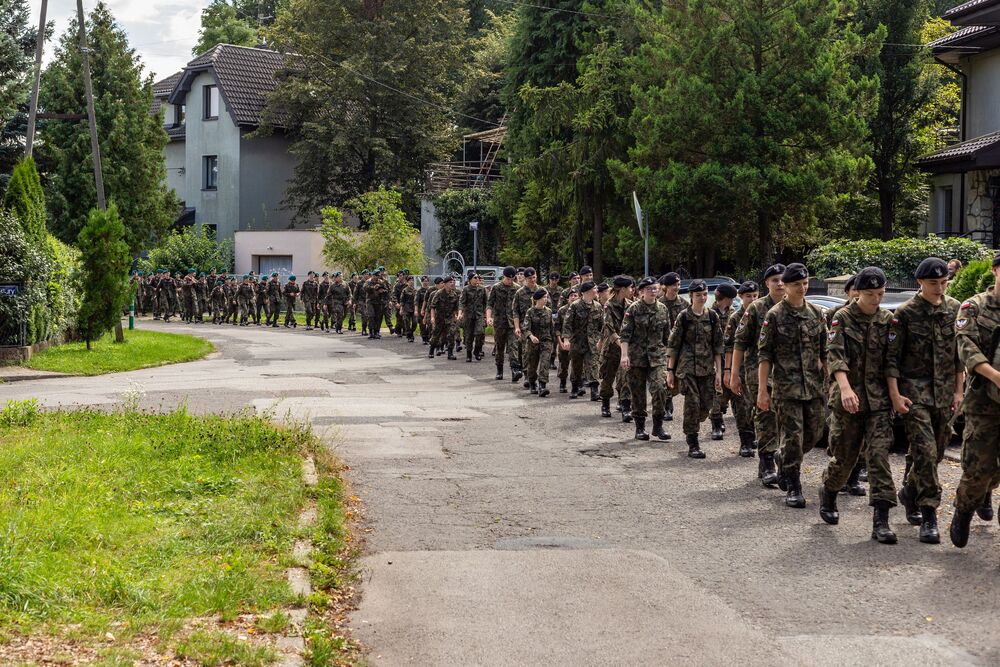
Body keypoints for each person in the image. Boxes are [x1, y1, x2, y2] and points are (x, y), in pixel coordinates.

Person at [886, 257, 964, 544]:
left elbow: (959, 356)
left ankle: (909, 490)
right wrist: (895, 395)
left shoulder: (954, 309)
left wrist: (959, 391)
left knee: (936, 450)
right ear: (920, 282)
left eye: (944, 283)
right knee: (927, 451)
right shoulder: (905, 313)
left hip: (944, 394)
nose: (940, 288)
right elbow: (891, 360)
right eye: (934, 283)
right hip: (914, 393)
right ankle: (929, 513)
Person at [818, 267, 898, 543]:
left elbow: (891, 363)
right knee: (845, 458)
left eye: (880, 294)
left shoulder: (887, 320)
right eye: (870, 294)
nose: (876, 299)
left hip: (878, 402)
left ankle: (882, 520)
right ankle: (829, 491)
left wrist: (895, 397)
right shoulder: (842, 318)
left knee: (878, 458)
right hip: (848, 400)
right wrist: (844, 388)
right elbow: (835, 355)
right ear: (857, 293)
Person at [757, 263, 827, 509]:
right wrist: (762, 390)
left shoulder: (817, 313)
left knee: (814, 434)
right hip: (786, 388)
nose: (803, 288)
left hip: (814, 388)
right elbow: (764, 355)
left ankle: (782, 456)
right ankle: (794, 487)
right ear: (785, 286)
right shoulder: (774, 315)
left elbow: (825, 352)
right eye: (797, 284)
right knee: (795, 437)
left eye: (805, 283)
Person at [949, 252, 1000, 548]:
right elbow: (965, 347)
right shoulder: (974, 307)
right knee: (978, 469)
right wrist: (994, 375)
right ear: (995, 271)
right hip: (984, 402)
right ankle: (964, 508)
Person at [732, 264, 786, 486]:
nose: (780, 283)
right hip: (757, 370)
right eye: (774, 280)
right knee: (766, 415)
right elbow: (740, 341)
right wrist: (733, 373)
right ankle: (766, 463)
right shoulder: (756, 308)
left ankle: (782, 458)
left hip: (787, 373)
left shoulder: (794, 307)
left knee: (787, 419)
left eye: (783, 279)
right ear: (767, 284)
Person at [666, 280, 724, 457]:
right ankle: (693, 442)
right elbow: (673, 345)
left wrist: (720, 372)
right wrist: (670, 371)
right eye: (698, 295)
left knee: (707, 404)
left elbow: (718, 346)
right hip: (687, 368)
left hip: (707, 369)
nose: (702, 298)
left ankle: (694, 426)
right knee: (692, 403)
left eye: (705, 294)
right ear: (691, 296)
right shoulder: (684, 317)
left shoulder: (712, 317)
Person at [620, 277, 671, 441]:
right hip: (637, 357)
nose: (652, 291)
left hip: (657, 356)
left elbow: (667, 337)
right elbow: (625, 334)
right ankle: (640, 427)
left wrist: (670, 359)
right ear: (641, 291)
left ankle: (658, 425)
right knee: (638, 392)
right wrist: (624, 355)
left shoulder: (663, 309)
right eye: (648, 289)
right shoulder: (633, 309)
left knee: (660, 388)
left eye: (654, 288)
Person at [724, 281, 759, 457]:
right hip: (743, 369)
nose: (752, 299)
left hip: (762, 368)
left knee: (759, 406)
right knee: (742, 406)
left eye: (755, 296)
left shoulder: (764, 313)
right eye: (748, 296)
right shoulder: (736, 318)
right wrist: (729, 371)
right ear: (741, 297)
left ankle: (755, 435)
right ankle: (745, 440)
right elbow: (729, 346)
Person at [598, 276, 634, 421]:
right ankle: (605, 404)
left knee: (626, 377)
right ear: (623, 289)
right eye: (630, 288)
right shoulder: (609, 306)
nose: (632, 290)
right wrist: (620, 343)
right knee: (608, 378)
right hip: (611, 347)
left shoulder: (632, 305)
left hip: (625, 348)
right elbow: (609, 327)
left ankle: (626, 407)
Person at [563, 281, 603, 401]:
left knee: (593, 365)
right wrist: (566, 339)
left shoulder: (598, 306)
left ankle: (594, 391)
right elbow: (567, 323)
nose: (596, 291)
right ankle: (575, 387)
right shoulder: (575, 305)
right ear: (587, 292)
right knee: (577, 367)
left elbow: (602, 325)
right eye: (594, 289)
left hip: (592, 343)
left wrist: (601, 340)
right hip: (577, 342)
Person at [658, 272, 689, 421]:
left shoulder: (684, 304)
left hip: (679, 347)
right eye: (673, 285)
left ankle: (670, 397)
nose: (677, 287)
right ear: (665, 287)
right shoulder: (658, 303)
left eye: (678, 285)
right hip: (662, 346)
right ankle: (667, 405)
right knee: (665, 375)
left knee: (677, 376)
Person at [709, 283, 738, 440]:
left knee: (731, 391)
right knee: (716, 392)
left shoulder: (734, 314)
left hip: (731, 357)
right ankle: (716, 423)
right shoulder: (710, 314)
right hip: (714, 357)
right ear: (726, 299)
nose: (732, 302)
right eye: (731, 299)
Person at [487, 266, 520, 380]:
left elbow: (520, 307)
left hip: (512, 323)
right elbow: (490, 304)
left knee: (513, 347)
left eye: (512, 279)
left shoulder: (517, 288)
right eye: (508, 279)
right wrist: (488, 318)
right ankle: (499, 370)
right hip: (499, 322)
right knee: (500, 347)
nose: (510, 281)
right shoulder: (496, 288)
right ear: (504, 277)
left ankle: (515, 370)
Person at [523, 289, 555, 396]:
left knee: (544, 364)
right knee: (532, 365)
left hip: (546, 341)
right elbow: (526, 328)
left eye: (546, 297)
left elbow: (552, 328)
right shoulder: (530, 312)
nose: (545, 299)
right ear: (537, 299)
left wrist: (554, 343)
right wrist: (531, 336)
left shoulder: (549, 311)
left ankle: (542, 386)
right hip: (533, 343)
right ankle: (532, 383)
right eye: (543, 298)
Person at [429, 275, 460, 359]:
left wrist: (456, 316)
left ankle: (450, 353)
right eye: (450, 282)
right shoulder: (438, 293)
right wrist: (432, 317)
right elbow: (432, 306)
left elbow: (455, 308)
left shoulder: (454, 295)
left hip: (449, 318)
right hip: (439, 318)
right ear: (445, 284)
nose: (452, 283)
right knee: (436, 335)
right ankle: (431, 350)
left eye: (453, 282)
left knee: (451, 334)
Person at [459, 271, 487, 360]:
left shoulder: (482, 289)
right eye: (475, 278)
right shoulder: (466, 289)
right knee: (469, 335)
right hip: (468, 315)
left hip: (479, 315)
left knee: (480, 333)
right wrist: (460, 313)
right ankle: (468, 354)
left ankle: (477, 350)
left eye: (478, 277)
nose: (477, 279)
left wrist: (486, 316)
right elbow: (462, 302)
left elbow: (486, 303)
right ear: (470, 280)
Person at [555, 289, 578, 393]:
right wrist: (560, 342)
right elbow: (557, 328)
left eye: (575, 295)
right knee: (564, 363)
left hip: (577, 341)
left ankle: (577, 384)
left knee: (577, 364)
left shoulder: (580, 309)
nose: (573, 297)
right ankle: (563, 382)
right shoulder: (562, 310)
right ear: (568, 298)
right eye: (571, 296)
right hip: (564, 341)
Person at [398, 274, 416, 340]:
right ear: (407, 282)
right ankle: (409, 335)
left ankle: (411, 332)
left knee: (415, 322)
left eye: (412, 280)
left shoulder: (415, 290)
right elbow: (402, 300)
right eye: (410, 280)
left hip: (413, 309)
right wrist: (401, 309)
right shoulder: (404, 290)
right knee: (406, 322)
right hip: (406, 308)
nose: (411, 282)